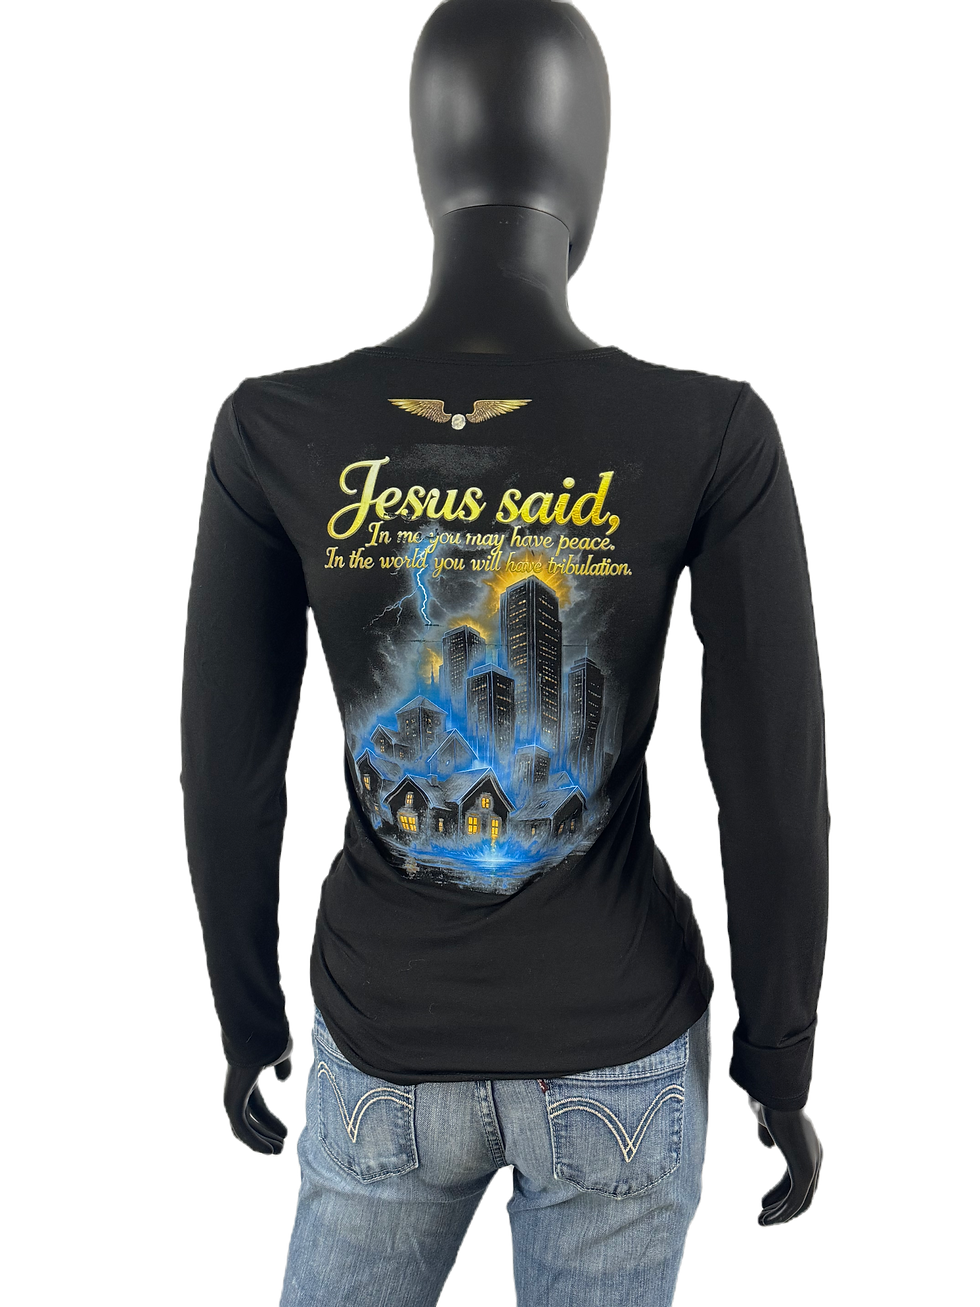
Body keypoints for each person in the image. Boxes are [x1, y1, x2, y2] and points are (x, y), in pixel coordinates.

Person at [179, 1, 830, 1303]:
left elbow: (226, 769)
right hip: (621, 1048)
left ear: (427, 157)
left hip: (380, 1039)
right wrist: (780, 1056)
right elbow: (772, 777)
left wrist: (247, 1018)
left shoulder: (277, 426)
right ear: (592, 162)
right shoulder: (709, 426)